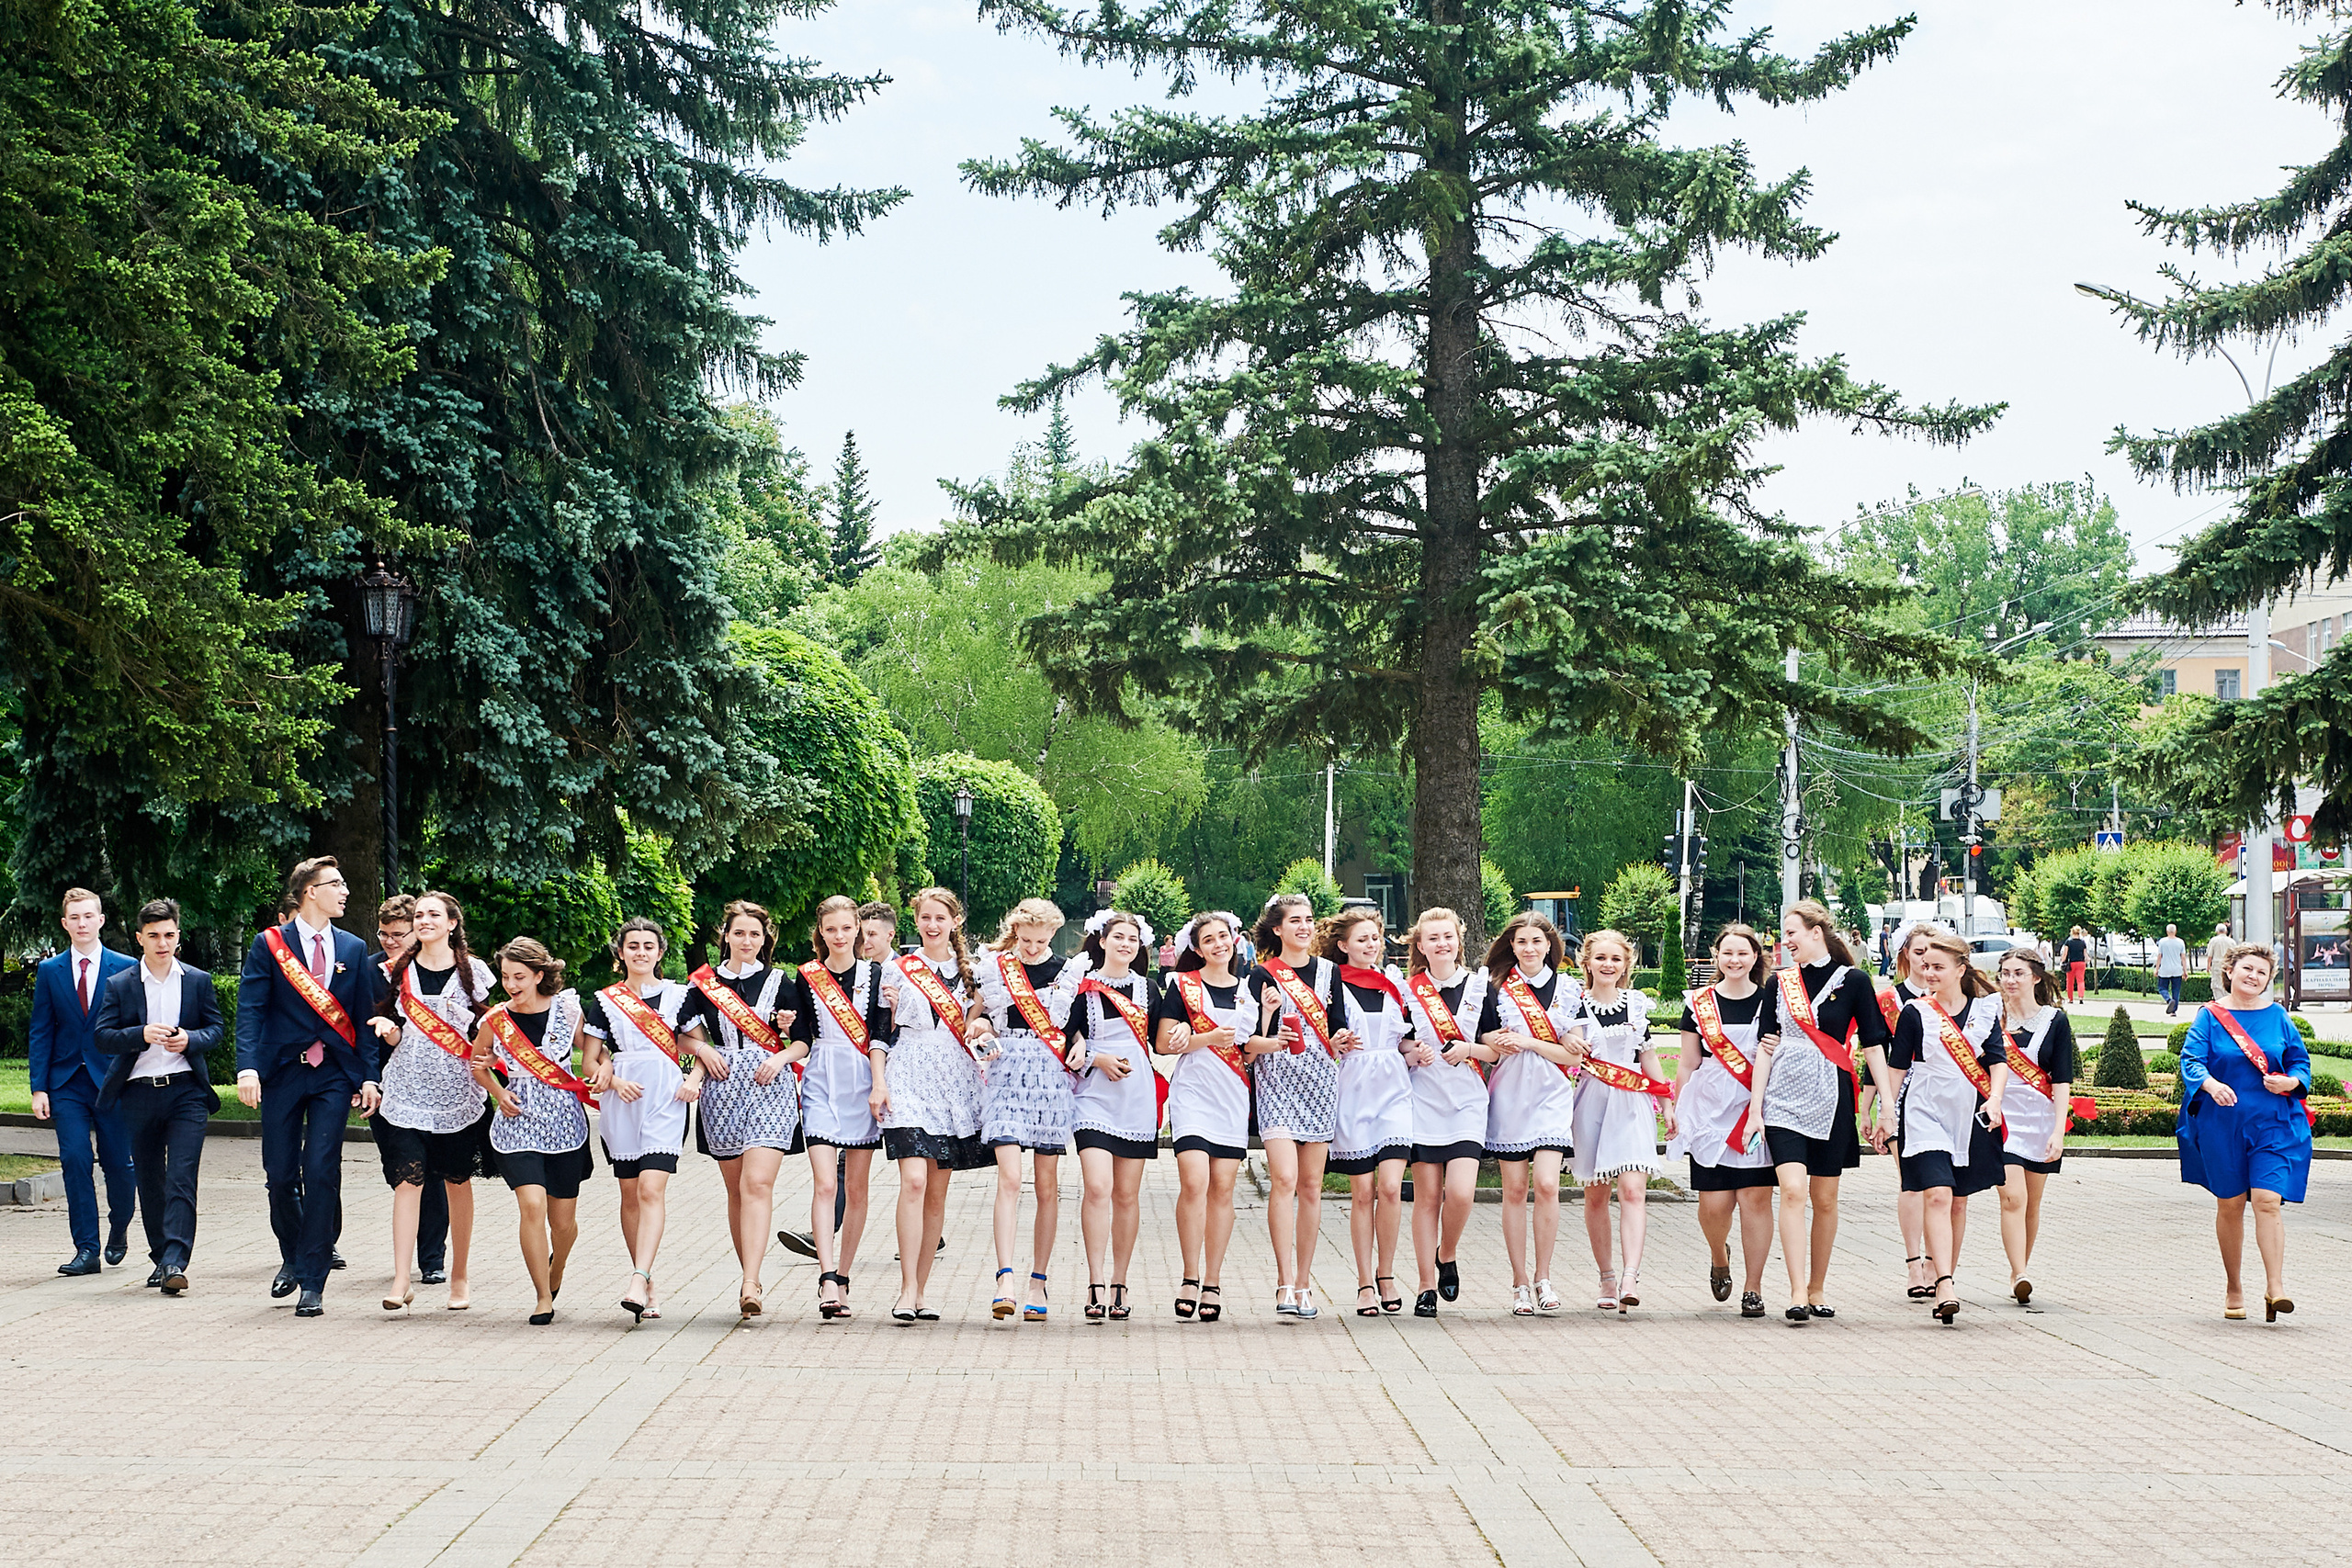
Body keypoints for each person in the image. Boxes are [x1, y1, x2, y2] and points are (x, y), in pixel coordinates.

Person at [235, 856, 381, 1316]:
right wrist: (247, 1068)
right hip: (282, 1071)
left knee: (320, 1170)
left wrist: (369, 1076)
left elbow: (360, 1017)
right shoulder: (268, 945)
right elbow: (251, 1010)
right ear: (309, 892)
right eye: (336, 884)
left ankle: (313, 1279)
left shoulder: (353, 948)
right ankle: (293, 1256)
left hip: (333, 1075)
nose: (345, 891)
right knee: (280, 1176)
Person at [1744, 898, 1896, 1326]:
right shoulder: (1780, 984)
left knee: (1825, 1198)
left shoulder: (1855, 982)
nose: (1784, 941)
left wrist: (1885, 1104)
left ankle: (1817, 1288)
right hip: (1783, 1099)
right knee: (1792, 1189)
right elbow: (1766, 1046)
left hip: (1832, 1096)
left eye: (1791, 932)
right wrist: (1756, 1108)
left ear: (1816, 932)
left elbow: (1873, 1046)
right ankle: (1794, 1291)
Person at [366, 891, 495, 1313]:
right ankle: (402, 1278)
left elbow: (488, 1026)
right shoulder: (398, 970)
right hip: (406, 1089)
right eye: (419, 915)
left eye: (433, 914)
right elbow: (402, 1029)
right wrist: (390, 1029)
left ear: (452, 923)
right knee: (408, 1181)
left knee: (458, 1182)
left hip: (458, 1091)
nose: (424, 920)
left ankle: (459, 1276)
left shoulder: (474, 972)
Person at [93, 898, 224, 1294]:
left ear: (178, 936)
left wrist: (191, 1039)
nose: (162, 943)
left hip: (186, 1091)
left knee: (182, 1176)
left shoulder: (197, 981)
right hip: (138, 1092)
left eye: (169, 935)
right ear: (140, 938)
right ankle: (160, 1256)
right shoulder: (121, 985)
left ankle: (175, 1260)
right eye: (153, 936)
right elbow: (102, 1037)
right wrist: (140, 1033)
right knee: (151, 1180)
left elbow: (215, 1029)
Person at [582, 917, 709, 1323]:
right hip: (623, 1101)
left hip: (666, 1096)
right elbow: (590, 1059)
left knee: (653, 1189)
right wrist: (612, 1079)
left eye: (648, 946)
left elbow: (700, 1047)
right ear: (621, 952)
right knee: (630, 1193)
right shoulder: (603, 1001)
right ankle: (647, 1276)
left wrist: (694, 1078)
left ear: (660, 952)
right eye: (632, 945)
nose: (641, 952)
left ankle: (636, 1278)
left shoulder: (680, 996)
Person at [872, 886, 991, 1323]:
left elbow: (983, 1021)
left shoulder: (973, 974)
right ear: (916, 922)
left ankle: (922, 1291)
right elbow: (880, 1032)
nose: (933, 925)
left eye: (941, 917)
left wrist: (982, 1028)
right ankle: (905, 1289)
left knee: (938, 1193)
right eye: (925, 917)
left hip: (954, 1081)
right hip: (908, 1075)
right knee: (915, 1182)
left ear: (954, 922)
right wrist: (879, 1081)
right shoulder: (896, 970)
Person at [2178, 942, 2311, 1322]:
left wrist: (2290, 1082)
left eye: (2262, 973)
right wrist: (2208, 1084)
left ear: (2269, 980)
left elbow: (2301, 1064)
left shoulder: (2279, 1018)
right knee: (2231, 1204)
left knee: (2268, 1200)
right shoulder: (2209, 1017)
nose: (2254, 977)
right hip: (2224, 1124)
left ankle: (2275, 1287)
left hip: (2274, 1123)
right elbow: (2191, 1060)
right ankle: (2234, 1285)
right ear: (2230, 971)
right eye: (2247, 969)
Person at [686, 900, 805, 1317]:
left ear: (764, 939)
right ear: (726, 936)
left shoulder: (781, 982)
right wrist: (702, 1048)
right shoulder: (703, 984)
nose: (747, 941)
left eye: (755, 934)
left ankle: (750, 1281)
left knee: (757, 1183)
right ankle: (747, 1272)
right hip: (721, 1087)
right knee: (736, 1190)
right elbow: (682, 1032)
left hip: (768, 1082)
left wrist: (782, 1054)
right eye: (740, 933)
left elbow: (804, 1040)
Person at [1885, 927, 2007, 1326]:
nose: (1930, 973)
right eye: (1925, 966)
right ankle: (1946, 1282)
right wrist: (1887, 1113)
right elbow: (1897, 1066)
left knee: (1958, 1200)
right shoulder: (1916, 1013)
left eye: (1938, 966)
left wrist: (1995, 1099)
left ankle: (1944, 1277)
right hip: (1924, 1108)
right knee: (1937, 1193)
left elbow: (1996, 1062)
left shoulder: (1986, 1010)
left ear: (1960, 968)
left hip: (1969, 1110)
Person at [1155, 911, 1272, 1324]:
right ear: (1197, 948)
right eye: (1209, 940)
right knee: (1195, 1181)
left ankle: (1214, 1280)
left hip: (1232, 1095)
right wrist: (1203, 1037)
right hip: (1193, 1093)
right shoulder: (1182, 986)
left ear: (1234, 940)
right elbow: (1165, 1044)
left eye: (1224, 936)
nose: (1218, 944)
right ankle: (1189, 1274)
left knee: (1223, 1187)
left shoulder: (1249, 990)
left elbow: (1249, 1050)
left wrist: (1272, 1028)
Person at [470, 938, 595, 1325]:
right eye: (506, 976)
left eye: (519, 976)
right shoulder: (495, 1020)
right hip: (517, 1120)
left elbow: (592, 1052)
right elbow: (477, 1064)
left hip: (563, 1121)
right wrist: (497, 1091)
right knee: (531, 1206)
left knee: (563, 1224)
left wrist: (603, 1068)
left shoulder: (567, 1010)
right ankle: (543, 1296)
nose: (511, 984)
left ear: (540, 975)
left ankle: (556, 1270)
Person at [975, 897, 1082, 1322]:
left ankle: (1039, 1280)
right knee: (1010, 1178)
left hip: (1050, 1077)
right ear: (1015, 931)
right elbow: (976, 1018)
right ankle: (1005, 1278)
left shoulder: (1070, 973)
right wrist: (979, 1026)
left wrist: (1080, 1045)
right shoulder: (995, 968)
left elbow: (1075, 1029)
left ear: (1053, 934)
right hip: (1005, 1071)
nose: (1034, 947)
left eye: (1041, 940)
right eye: (1026, 938)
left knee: (1046, 1185)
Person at [791, 896, 897, 1320]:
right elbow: (799, 1032)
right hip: (820, 1079)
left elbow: (880, 1033)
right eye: (830, 929)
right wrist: (785, 1025)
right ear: (822, 932)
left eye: (846, 928)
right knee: (823, 1184)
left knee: (856, 1188)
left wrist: (879, 1084)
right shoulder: (806, 977)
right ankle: (827, 1276)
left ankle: (846, 1275)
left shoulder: (878, 974)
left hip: (863, 1080)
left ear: (858, 930)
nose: (839, 936)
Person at [1478, 911, 1586, 1316]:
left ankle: (1544, 1276)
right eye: (1521, 942)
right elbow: (1486, 1039)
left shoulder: (1569, 989)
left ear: (1549, 946)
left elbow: (1570, 1053)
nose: (1529, 949)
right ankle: (1519, 1281)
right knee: (1514, 1190)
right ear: (1511, 945)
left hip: (1552, 1095)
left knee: (1546, 1184)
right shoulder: (1495, 989)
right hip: (1509, 1095)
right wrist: (1497, 1040)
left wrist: (1526, 1040)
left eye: (1536, 942)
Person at [29, 887, 140, 1276]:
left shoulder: (126, 967)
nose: (81, 923)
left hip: (113, 1082)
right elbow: (41, 1030)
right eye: (74, 918)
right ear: (65, 924)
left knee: (120, 1167)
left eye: (88, 916)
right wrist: (38, 1087)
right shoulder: (50, 971)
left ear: (100, 920)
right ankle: (86, 1250)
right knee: (75, 1160)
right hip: (66, 1083)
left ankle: (120, 1229)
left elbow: (134, 1029)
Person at [1668, 923, 1775, 1319]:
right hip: (1710, 1108)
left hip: (1753, 1110)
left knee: (1755, 1199)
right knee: (1714, 1206)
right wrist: (1677, 1109)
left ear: (1755, 958)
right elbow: (1688, 1062)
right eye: (1727, 953)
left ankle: (1754, 1288)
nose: (1735, 960)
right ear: (1716, 956)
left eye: (1743, 953)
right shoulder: (1698, 1003)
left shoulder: (1771, 1002)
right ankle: (1719, 1255)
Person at [1251, 892, 1344, 1321]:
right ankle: (1283, 1279)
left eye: (1308, 920)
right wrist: (1269, 1016)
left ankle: (1306, 1282)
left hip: (1321, 1081)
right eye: (1295, 921)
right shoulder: (1261, 976)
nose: (1304, 927)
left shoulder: (1330, 973)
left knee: (1311, 1186)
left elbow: (1338, 1025)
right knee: (1284, 1179)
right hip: (1278, 1082)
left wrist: (1341, 1039)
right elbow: (1248, 1039)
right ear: (1278, 929)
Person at [1570, 930, 1672, 1313]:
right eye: (1600, 958)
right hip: (1592, 1101)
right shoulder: (1575, 1004)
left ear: (1626, 964)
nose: (1608, 965)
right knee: (1596, 1193)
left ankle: (1631, 1274)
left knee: (1632, 1190)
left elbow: (1648, 1059)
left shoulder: (1637, 1005)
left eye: (1615, 959)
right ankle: (1607, 1276)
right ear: (1588, 962)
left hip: (1631, 1102)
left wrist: (1667, 1104)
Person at [1320, 908, 1415, 1318]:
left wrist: (1419, 1051)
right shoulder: (1330, 985)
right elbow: (1317, 1036)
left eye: (1375, 938)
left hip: (1393, 1088)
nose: (1371, 945)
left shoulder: (1394, 984)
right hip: (1353, 1088)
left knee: (1391, 1187)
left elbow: (1407, 1038)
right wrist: (1333, 1040)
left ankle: (1387, 1273)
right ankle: (1362, 1281)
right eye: (1361, 939)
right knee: (1362, 1192)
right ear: (1343, 945)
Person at [1399, 908, 1492, 1319]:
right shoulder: (1408, 991)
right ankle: (1424, 1285)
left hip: (1468, 1101)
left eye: (1448, 936)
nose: (1441, 944)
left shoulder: (1479, 989)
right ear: (1420, 946)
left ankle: (1447, 1252)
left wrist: (1470, 1050)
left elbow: (1495, 1049)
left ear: (1460, 940)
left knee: (1461, 1192)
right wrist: (1411, 1052)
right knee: (1427, 1196)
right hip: (1424, 1100)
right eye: (1432, 938)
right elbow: (1397, 1043)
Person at [1069, 910, 1161, 1322]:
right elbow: (1064, 1043)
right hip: (1092, 1095)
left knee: (1126, 1194)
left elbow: (1162, 1040)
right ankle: (1094, 1279)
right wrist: (1096, 1057)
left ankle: (1120, 1282)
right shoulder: (1080, 989)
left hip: (1135, 1096)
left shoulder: (1149, 989)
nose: (1125, 944)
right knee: (1097, 1187)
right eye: (1118, 937)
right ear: (1101, 940)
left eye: (1133, 938)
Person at [370, 899, 449, 1286]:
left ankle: (432, 1257)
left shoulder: (447, 970)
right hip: (387, 1084)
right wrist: (365, 1080)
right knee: (400, 1171)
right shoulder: (373, 970)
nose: (388, 942)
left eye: (397, 935)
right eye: (383, 934)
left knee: (429, 1172)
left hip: (436, 1084)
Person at [1994, 948, 2075, 1304]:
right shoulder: (1990, 1017)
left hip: (2040, 1119)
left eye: (2018, 973)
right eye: (2005, 973)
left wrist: (2058, 1130)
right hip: (2002, 1121)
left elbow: (2062, 1079)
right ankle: (2019, 1272)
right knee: (2013, 1197)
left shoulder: (2055, 1021)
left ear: (2036, 978)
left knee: (2032, 1202)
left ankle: (2019, 1268)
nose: (2010, 980)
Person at [2156, 923, 2188, 1015]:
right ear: (2175, 931)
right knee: (2176, 990)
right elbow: (2183, 957)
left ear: (2167, 931)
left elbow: (2160, 956)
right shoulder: (2180, 942)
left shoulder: (2162, 942)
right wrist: (2185, 971)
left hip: (2165, 969)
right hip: (2177, 969)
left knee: (2162, 988)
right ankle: (2173, 1010)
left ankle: (2169, 999)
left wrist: (2157, 969)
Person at [2062, 926, 2089, 1004]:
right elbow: (2085, 953)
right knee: (2080, 981)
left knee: (2070, 981)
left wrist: (2062, 961)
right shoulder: (2082, 942)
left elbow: (2065, 953)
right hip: (2081, 963)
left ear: (2072, 932)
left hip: (2071, 963)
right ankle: (2081, 997)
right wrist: (2087, 958)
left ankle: (2070, 999)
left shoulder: (2068, 942)